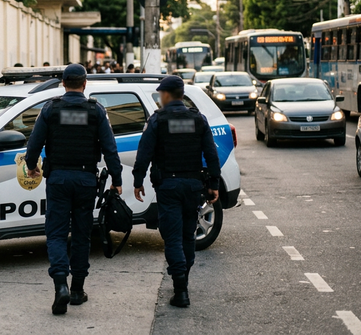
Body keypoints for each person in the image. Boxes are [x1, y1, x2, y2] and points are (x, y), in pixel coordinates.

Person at [24, 64, 122, 315]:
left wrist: (32, 166)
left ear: (63, 83)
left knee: (56, 234)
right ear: (85, 84)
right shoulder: (96, 110)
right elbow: (110, 149)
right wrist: (117, 179)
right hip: (86, 181)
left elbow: (34, 143)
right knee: (81, 235)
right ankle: (77, 290)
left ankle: (61, 286)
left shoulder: (50, 109)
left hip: (57, 179)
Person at [131, 75, 221, 308]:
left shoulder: (158, 120)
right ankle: (183, 281)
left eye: (161, 94)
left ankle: (180, 290)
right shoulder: (197, 119)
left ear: (168, 95)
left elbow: (144, 153)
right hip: (193, 186)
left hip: (168, 187)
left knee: (172, 237)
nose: (160, 98)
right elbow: (211, 154)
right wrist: (214, 185)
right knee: (186, 235)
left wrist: (138, 180)